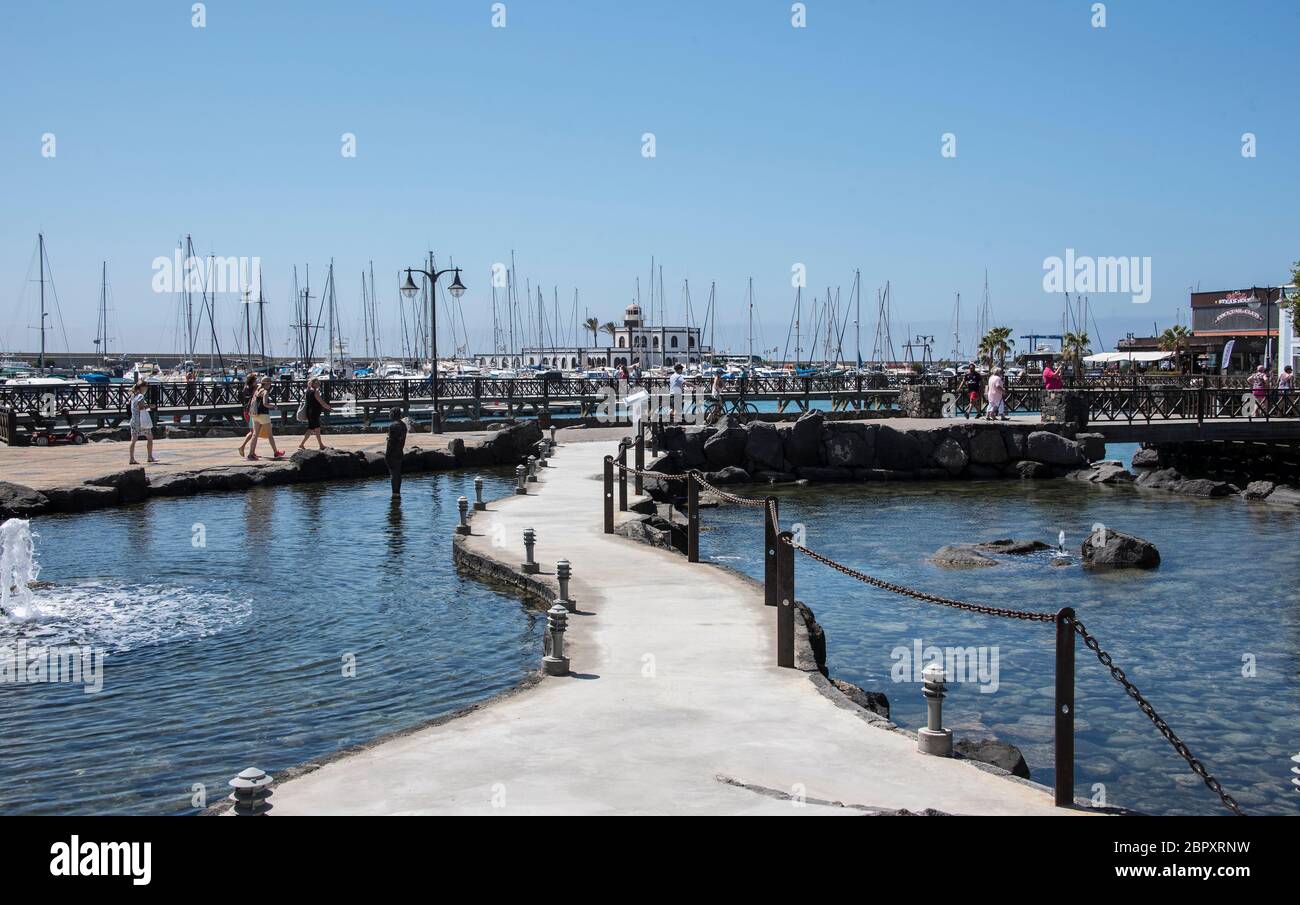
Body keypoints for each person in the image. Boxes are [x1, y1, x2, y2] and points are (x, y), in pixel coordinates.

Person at [247, 376, 285, 460]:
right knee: (270, 435)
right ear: (267, 384)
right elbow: (265, 404)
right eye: (270, 383)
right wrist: (274, 406)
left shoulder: (257, 390)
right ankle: (276, 452)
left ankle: (251, 454)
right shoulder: (265, 391)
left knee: (255, 435)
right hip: (264, 415)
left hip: (255, 415)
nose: (270, 385)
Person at [297, 377, 333, 450]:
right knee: (315, 429)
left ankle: (305, 444)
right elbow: (321, 402)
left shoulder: (307, 391)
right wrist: (329, 408)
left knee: (313, 429)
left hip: (310, 412)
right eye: (316, 382)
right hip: (314, 413)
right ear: (312, 383)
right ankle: (319, 445)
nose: (318, 384)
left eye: (318, 382)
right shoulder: (315, 392)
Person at [128, 381, 157, 465]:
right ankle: (150, 457)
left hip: (134, 420)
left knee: (133, 440)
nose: (147, 389)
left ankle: (131, 458)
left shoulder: (133, 395)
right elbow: (141, 407)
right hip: (141, 421)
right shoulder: (140, 396)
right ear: (142, 387)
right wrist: (150, 406)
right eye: (146, 387)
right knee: (150, 438)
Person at [385, 406, 408, 495]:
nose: (389, 415)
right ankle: (397, 493)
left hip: (392, 453)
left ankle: (394, 493)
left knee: (393, 474)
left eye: (390, 413)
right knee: (397, 473)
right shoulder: (403, 425)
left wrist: (387, 456)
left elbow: (391, 443)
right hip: (399, 451)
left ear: (393, 414)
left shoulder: (393, 426)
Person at [237, 373, 258, 457]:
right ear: (252, 381)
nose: (257, 381)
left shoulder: (247, 388)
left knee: (253, 432)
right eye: (255, 380)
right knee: (253, 432)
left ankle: (251, 451)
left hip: (248, 411)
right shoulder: (250, 389)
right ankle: (243, 448)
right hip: (249, 412)